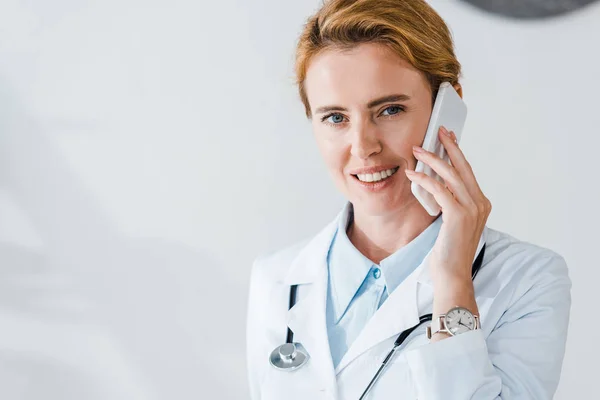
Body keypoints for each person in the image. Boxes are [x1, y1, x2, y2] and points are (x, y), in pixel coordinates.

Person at [245, 0, 571, 398]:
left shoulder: (527, 280)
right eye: (335, 118)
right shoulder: (275, 280)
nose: (363, 147)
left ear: (446, 109)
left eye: (390, 110)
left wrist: (453, 281)